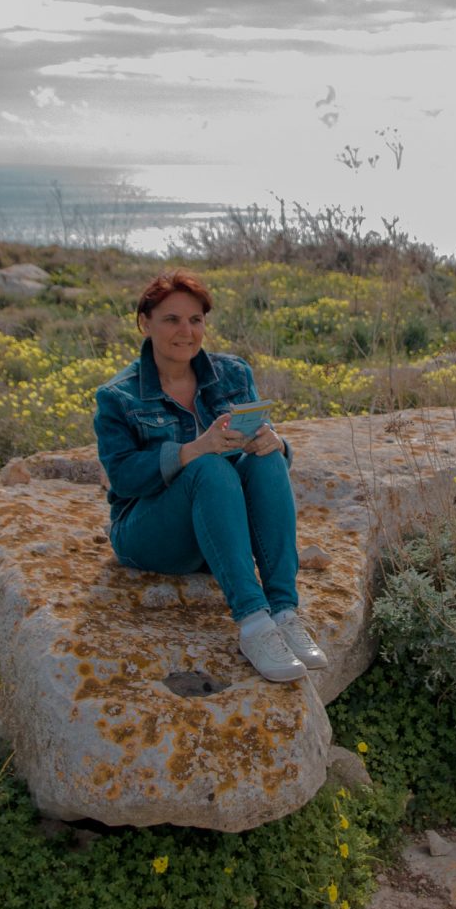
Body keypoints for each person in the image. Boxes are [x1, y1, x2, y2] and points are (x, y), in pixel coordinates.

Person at [93, 269, 327, 683]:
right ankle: (254, 624)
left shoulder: (234, 373)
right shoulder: (119, 396)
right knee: (207, 467)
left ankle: (284, 612)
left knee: (268, 459)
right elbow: (123, 478)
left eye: (195, 320)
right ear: (145, 323)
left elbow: (261, 464)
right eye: (171, 319)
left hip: (219, 531)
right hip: (150, 535)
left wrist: (275, 444)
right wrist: (189, 451)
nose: (186, 331)